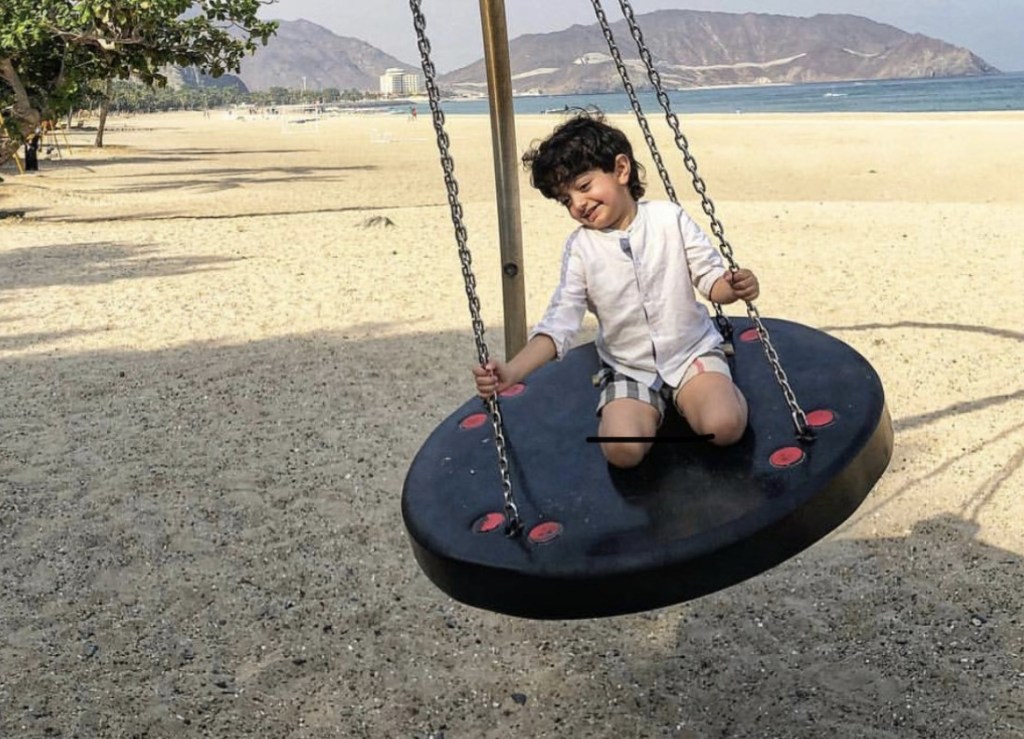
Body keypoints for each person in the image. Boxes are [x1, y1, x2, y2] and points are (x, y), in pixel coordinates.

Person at [472, 112, 760, 469]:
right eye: (565, 200)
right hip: (629, 367)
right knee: (622, 450)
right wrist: (513, 371)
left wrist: (733, 286)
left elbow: (711, 281)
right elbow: (560, 323)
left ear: (621, 170)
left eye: (584, 186)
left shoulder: (668, 219)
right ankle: (645, 409)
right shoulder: (581, 248)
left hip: (690, 352)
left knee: (723, 427)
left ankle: (713, 391)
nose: (577, 204)